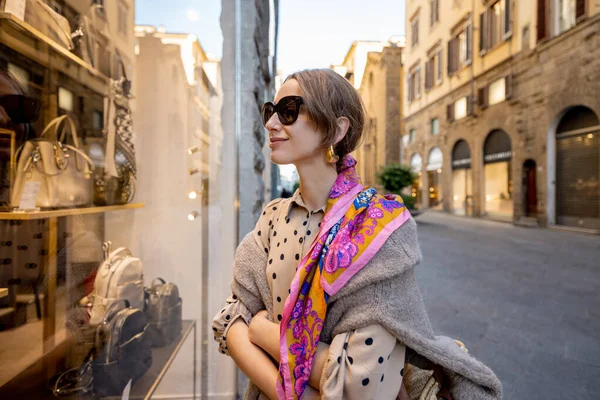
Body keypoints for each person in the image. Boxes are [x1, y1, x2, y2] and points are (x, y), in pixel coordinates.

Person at [212, 69, 502, 400]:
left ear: (336, 129)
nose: (271, 124)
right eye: (270, 111)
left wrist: (262, 330)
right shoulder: (273, 217)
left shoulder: (378, 228)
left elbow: (362, 384)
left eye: (289, 110)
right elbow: (230, 320)